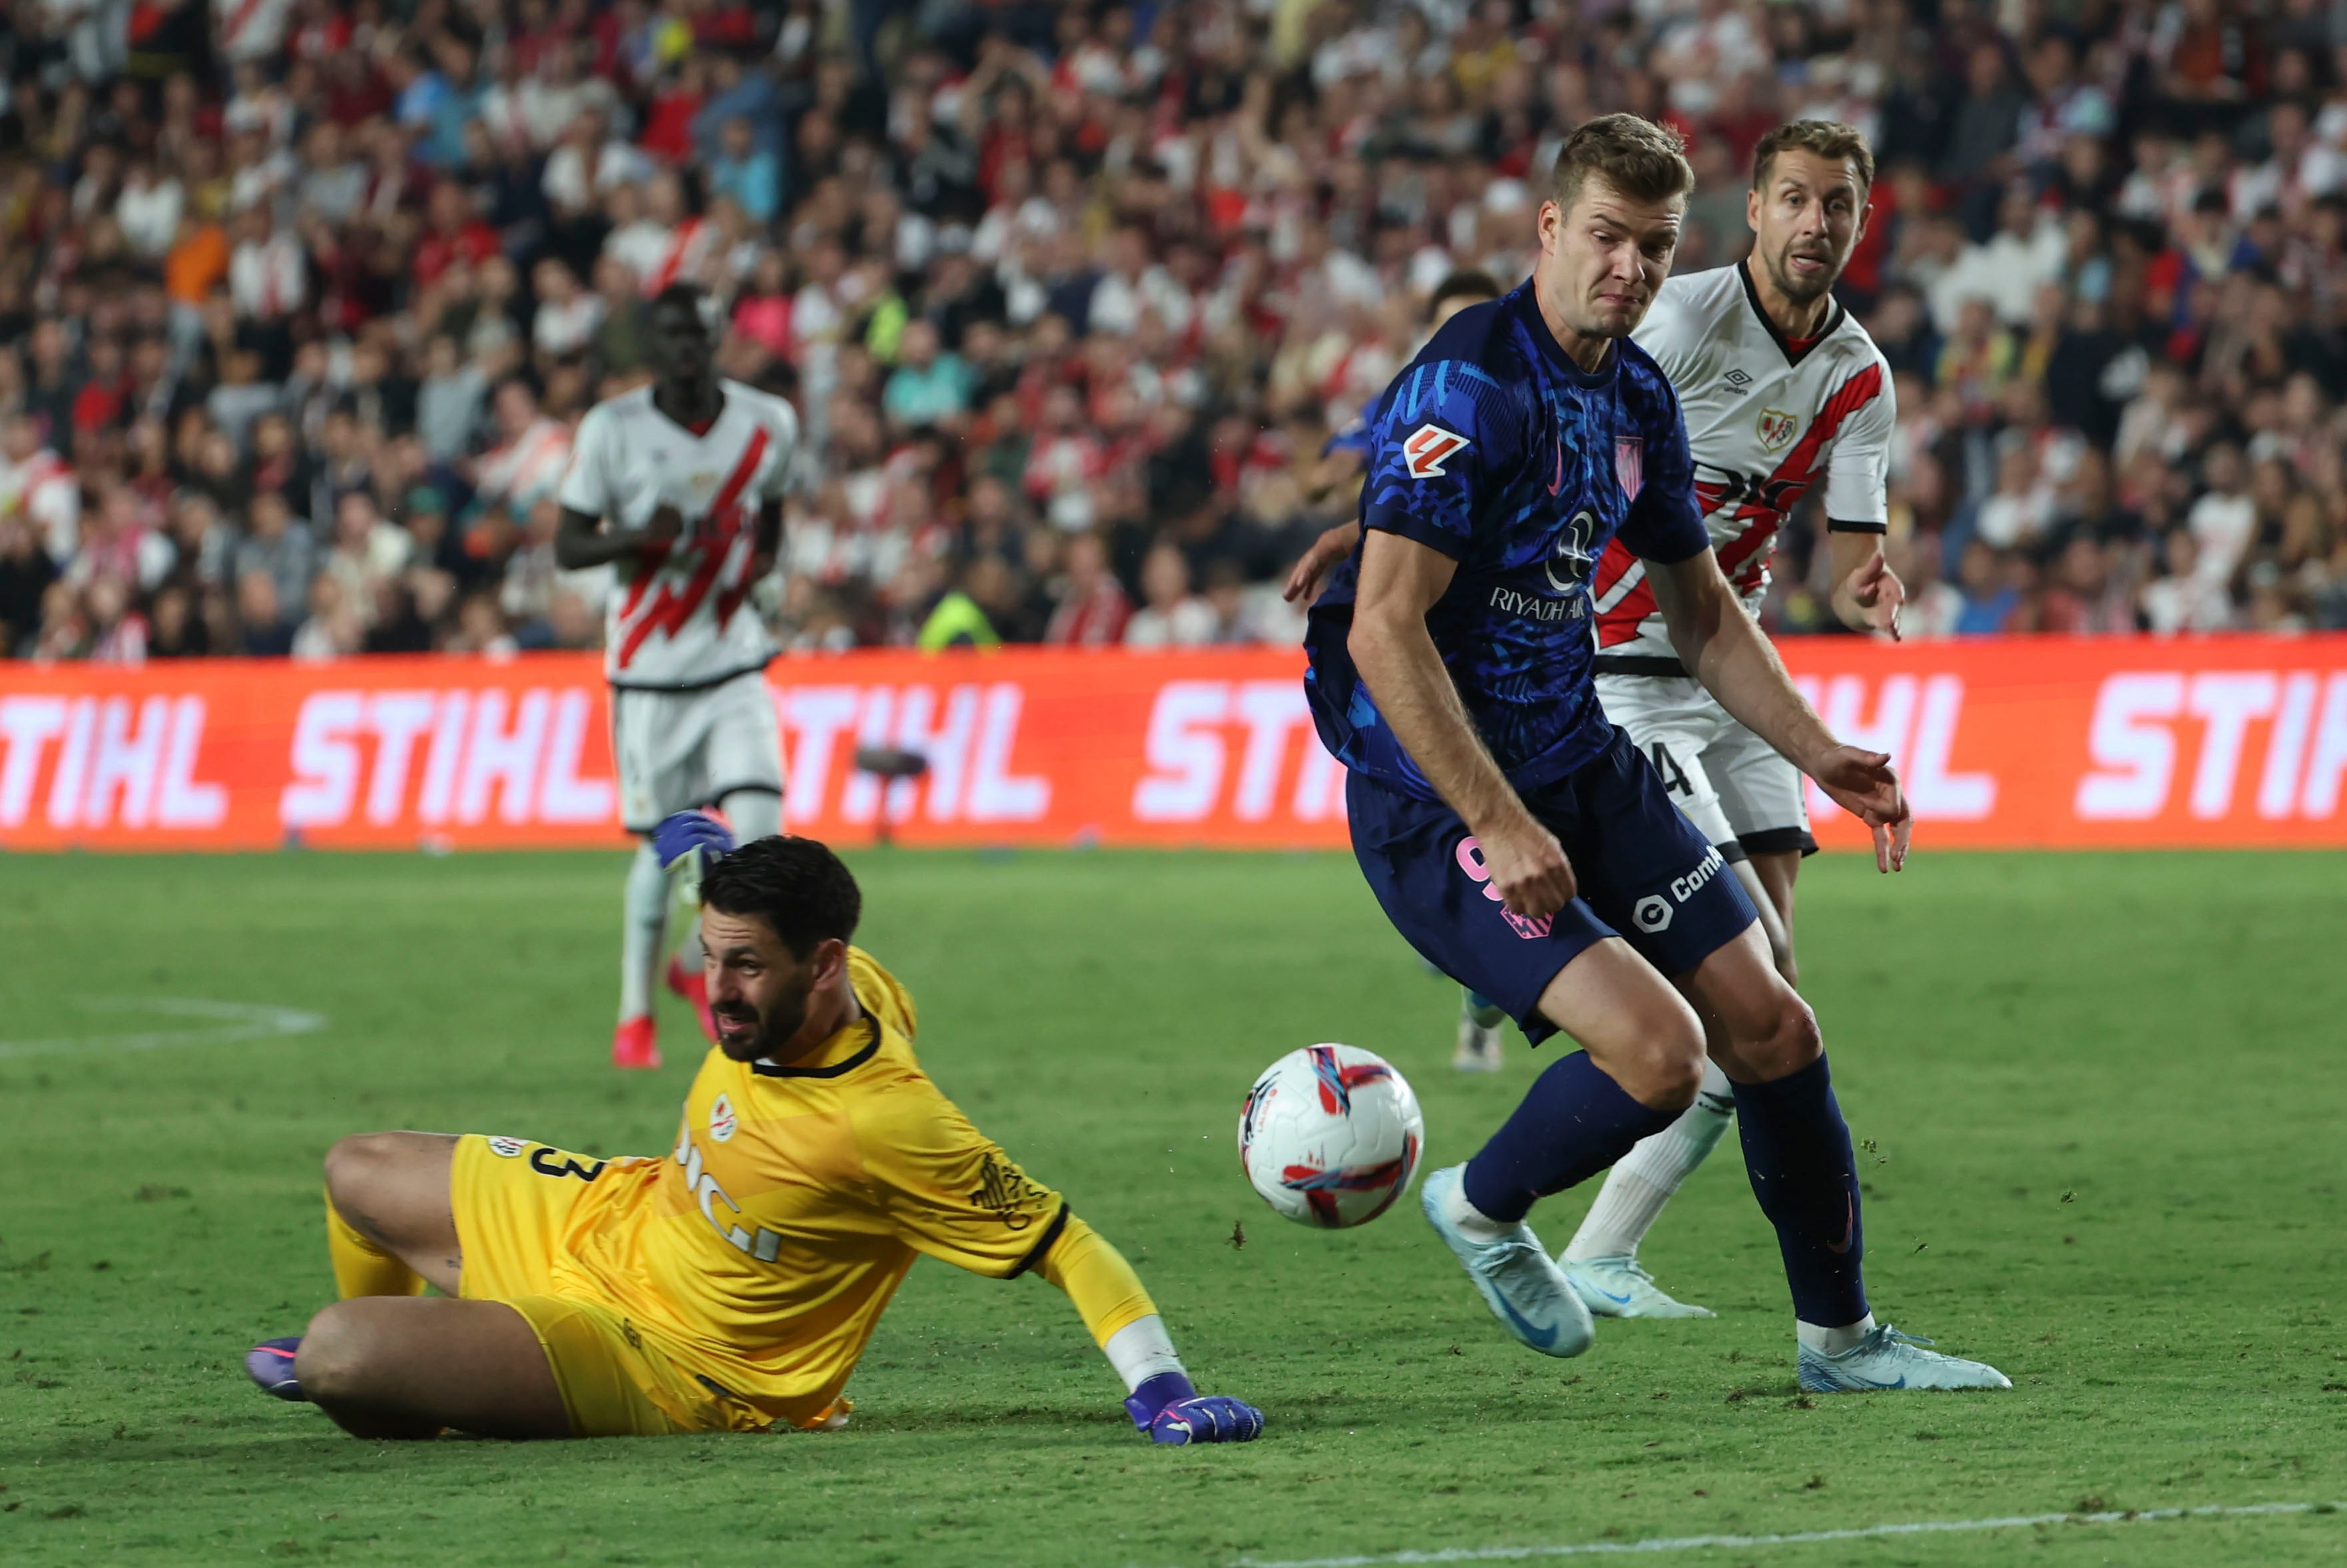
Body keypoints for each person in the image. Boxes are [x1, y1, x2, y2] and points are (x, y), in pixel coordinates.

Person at [1298, 114, 2005, 1393]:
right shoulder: (1472, 382)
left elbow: (1703, 611)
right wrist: (1500, 824)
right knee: (1663, 1058)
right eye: (1609, 239)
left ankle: (1840, 1344)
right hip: (1435, 800)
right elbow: (1387, 633)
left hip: (1583, 762)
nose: (1629, 269)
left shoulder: (1632, 393)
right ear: (1552, 231)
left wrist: (1822, 749)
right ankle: (1484, 1200)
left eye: (1656, 245)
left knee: (1775, 1026)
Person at [240, 828, 1264, 1445]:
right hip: (622, 1214)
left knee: (341, 1354)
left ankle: (432, 1387)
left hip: (672, 1358)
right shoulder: (837, 979)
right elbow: (787, 902)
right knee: (354, 1168)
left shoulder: (887, 1121)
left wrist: (1162, 1385)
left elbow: (1064, 1242)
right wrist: (716, 844)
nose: (716, 990)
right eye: (709, 956)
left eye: (743, 967)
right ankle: (455, 1355)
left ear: (822, 967)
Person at [555, 282, 794, 1071]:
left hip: (733, 662)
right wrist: (637, 538)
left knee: (759, 834)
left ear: (718, 333)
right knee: (667, 849)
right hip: (651, 675)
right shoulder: (612, 429)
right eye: (672, 335)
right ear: (654, 347)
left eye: (699, 331)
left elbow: (773, 512)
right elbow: (569, 546)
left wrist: (760, 574)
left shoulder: (767, 423)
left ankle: (705, 972)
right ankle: (635, 1016)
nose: (687, 346)